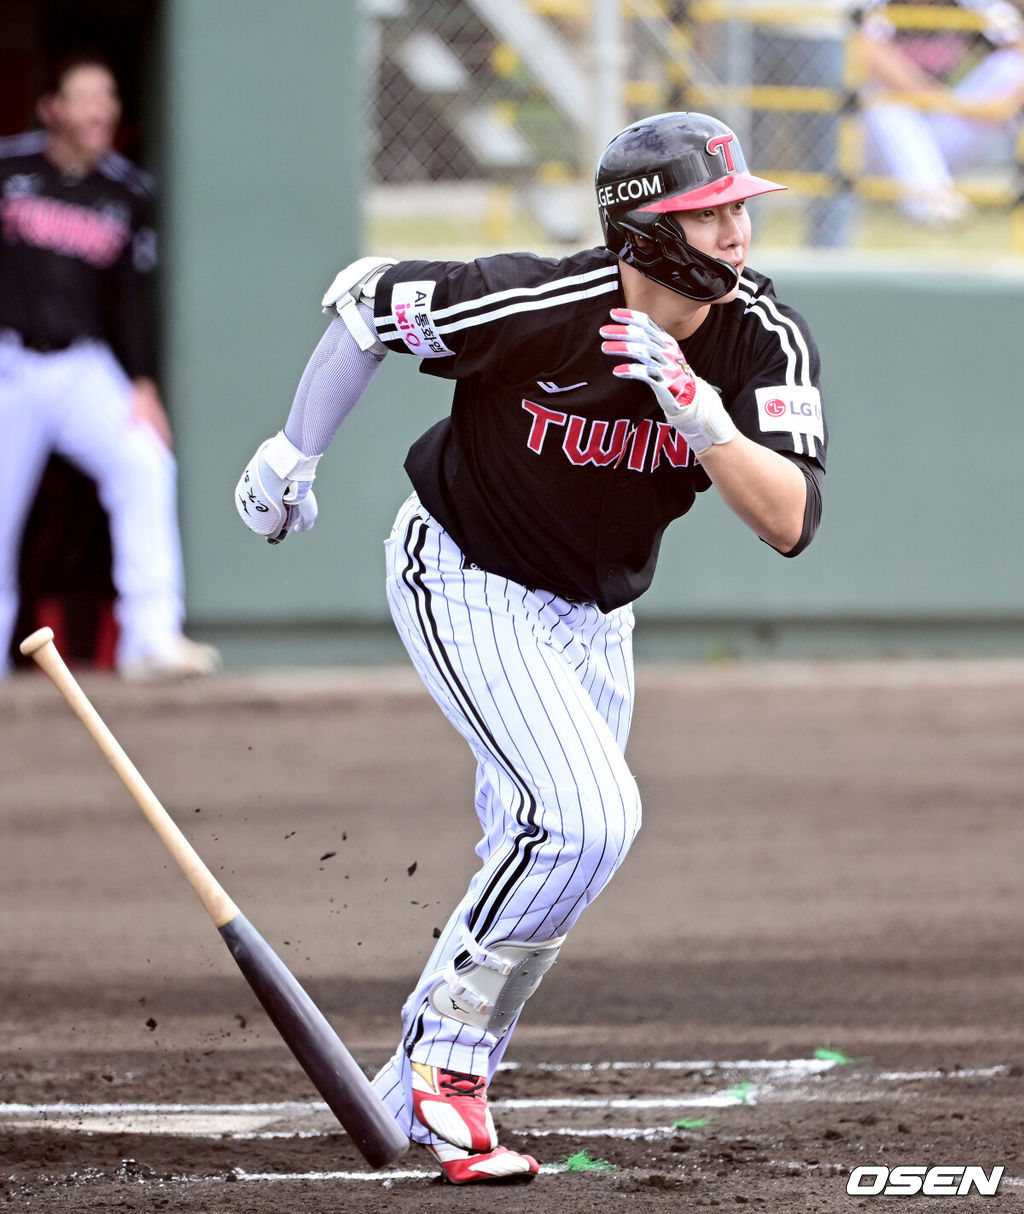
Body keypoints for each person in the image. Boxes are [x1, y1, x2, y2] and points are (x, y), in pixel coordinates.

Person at [234, 111, 828, 1184]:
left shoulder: (758, 338)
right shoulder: (540, 300)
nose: (738, 232)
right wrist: (291, 453)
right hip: (463, 571)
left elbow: (788, 518)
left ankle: (413, 1078)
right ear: (644, 230)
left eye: (741, 208)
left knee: (556, 845)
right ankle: (449, 1068)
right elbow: (366, 303)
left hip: (594, 614)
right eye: (710, 211)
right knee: (583, 816)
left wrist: (697, 412)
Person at [0, 49, 220, 680]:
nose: (100, 110)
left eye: (108, 97)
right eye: (85, 96)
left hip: (81, 366)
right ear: (52, 108)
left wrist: (143, 384)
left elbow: (131, 299)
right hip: (10, 360)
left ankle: (151, 639)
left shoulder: (126, 189)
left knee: (144, 460)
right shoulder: (9, 168)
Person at [857, 0, 1024, 225]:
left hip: (946, 124)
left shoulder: (976, 5)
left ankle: (933, 190)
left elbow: (1018, 49)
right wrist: (944, 102)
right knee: (883, 99)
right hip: (876, 141)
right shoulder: (874, 6)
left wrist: (1000, 105)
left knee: (1012, 67)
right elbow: (866, 53)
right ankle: (932, 203)